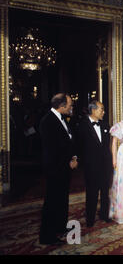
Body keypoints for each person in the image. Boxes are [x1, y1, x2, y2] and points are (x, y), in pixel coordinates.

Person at [39, 93, 78, 245]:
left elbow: (69, 140)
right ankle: (47, 236)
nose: (71, 107)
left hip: (65, 167)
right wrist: (67, 162)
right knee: (52, 201)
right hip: (55, 168)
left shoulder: (63, 119)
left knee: (62, 199)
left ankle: (60, 227)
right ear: (61, 106)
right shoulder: (47, 121)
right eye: (70, 105)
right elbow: (52, 149)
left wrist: (74, 157)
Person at [76, 100, 113, 227]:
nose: (104, 111)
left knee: (104, 192)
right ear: (93, 110)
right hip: (91, 166)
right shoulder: (82, 125)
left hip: (105, 165)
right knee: (91, 193)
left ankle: (104, 214)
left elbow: (106, 146)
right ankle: (90, 219)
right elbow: (79, 146)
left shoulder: (105, 125)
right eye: (101, 109)